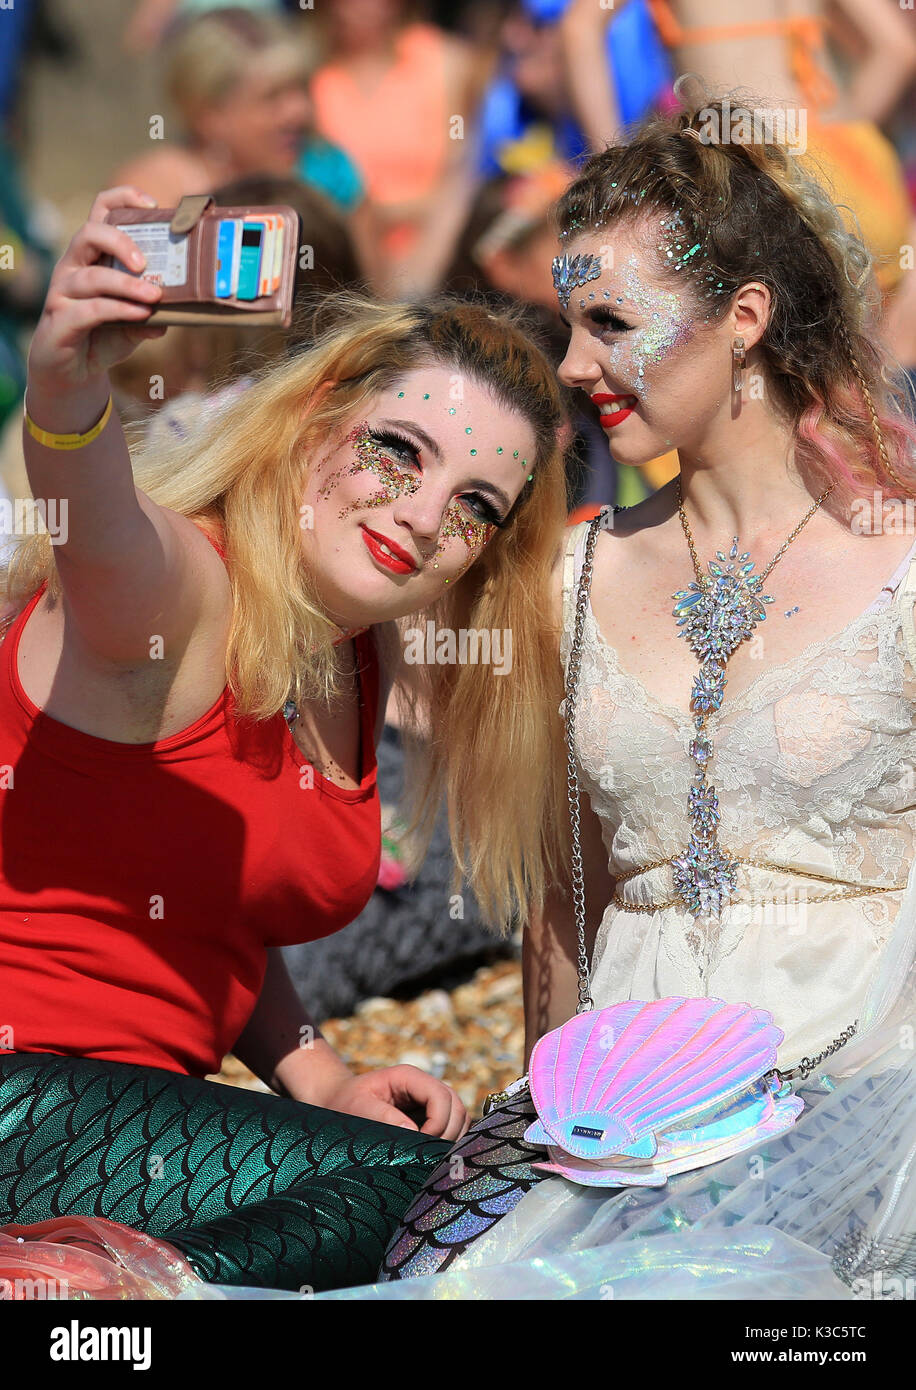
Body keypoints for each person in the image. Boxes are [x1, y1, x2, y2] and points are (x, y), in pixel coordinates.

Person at [340, 84, 916, 1295]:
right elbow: (566, 897)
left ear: (743, 318)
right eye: (566, 321)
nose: (572, 362)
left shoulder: (900, 564)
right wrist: (540, 1145)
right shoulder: (567, 577)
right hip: (625, 1113)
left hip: (870, 1087)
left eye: (609, 319)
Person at [0, 183, 570, 1293]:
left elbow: (218, 903)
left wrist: (315, 1076)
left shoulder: (344, 649)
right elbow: (97, 520)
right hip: (26, 1094)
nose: (421, 515)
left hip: (121, 1122)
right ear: (314, 420)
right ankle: (108, 1292)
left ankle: (105, 1284)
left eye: (472, 506)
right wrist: (68, 380)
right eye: (398, 452)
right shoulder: (185, 593)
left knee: (452, 1191)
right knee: (441, 1198)